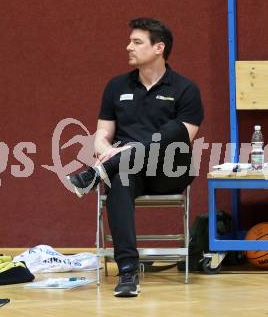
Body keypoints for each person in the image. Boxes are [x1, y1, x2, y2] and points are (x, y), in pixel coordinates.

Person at [67, 17, 204, 297]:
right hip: (130, 170)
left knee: (173, 129)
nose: (128, 46)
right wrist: (108, 151)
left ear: (158, 48)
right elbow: (101, 136)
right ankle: (128, 271)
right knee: (121, 181)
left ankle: (95, 174)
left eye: (136, 42)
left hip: (170, 170)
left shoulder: (185, 89)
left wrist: (126, 151)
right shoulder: (116, 87)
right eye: (130, 41)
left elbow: (183, 138)